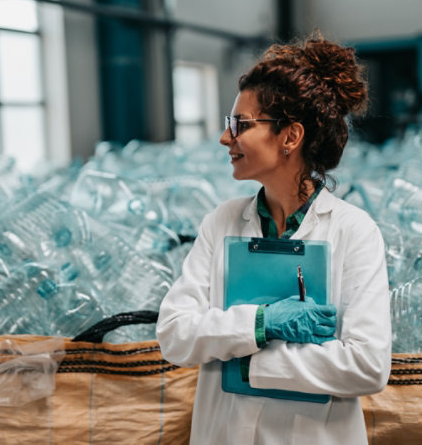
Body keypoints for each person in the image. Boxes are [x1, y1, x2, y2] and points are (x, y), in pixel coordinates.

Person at [156, 34, 392, 444]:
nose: (226, 138)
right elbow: (175, 335)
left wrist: (247, 363)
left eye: (241, 125)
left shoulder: (353, 232)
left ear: (290, 137)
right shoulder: (222, 222)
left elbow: (367, 364)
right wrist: (261, 323)